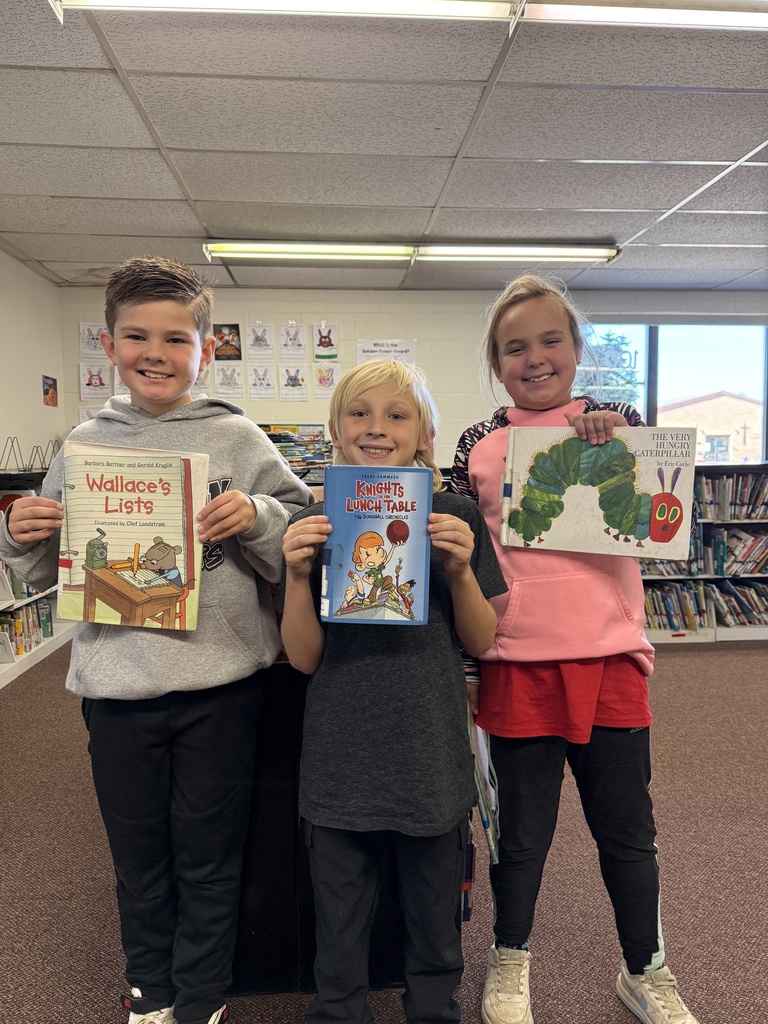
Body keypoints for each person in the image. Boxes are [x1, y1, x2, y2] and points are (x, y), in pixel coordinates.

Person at [0, 256, 313, 1024]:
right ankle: (152, 991)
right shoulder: (82, 444)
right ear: (109, 345)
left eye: (177, 339)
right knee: (140, 860)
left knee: (210, 856)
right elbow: (41, 565)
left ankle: (200, 998)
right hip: (117, 691)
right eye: (137, 336)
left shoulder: (238, 438)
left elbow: (301, 541)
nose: (156, 353)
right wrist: (19, 532)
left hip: (221, 690)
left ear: (206, 351)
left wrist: (258, 518)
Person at [451, 275, 699, 1024]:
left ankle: (646, 969)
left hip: (611, 659)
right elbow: (464, 561)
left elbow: (664, 517)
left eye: (550, 340)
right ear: (496, 363)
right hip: (517, 665)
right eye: (514, 347)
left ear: (578, 349)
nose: (534, 358)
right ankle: (510, 959)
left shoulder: (621, 424)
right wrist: (468, 667)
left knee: (627, 831)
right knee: (520, 836)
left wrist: (618, 435)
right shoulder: (476, 445)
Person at [279, 359, 507, 1024]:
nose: (376, 427)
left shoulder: (454, 515)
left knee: (436, 918)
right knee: (339, 921)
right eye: (359, 413)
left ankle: (434, 1011)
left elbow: (483, 638)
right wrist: (298, 576)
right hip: (339, 756)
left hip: (428, 754)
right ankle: (339, 1011)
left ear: (425, 435)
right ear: (335, 430)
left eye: (396, 415)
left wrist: (460, 571)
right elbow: (303, 658)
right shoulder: (315, 520)